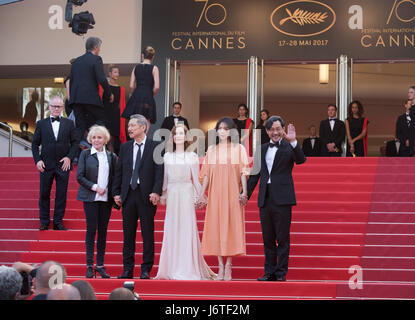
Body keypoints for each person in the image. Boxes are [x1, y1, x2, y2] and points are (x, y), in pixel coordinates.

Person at [247, 116, 306, 282]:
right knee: (267, 238)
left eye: (278, 129)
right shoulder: (261, 148)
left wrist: (294, 142)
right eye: (272, 129)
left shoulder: (289, 147)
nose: (275, 132)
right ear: (267, 131)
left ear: (283, 130)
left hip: (283, 199)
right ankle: (269, 272)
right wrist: (244, 194)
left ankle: (281, 273)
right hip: (265, 198)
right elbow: (255, 175)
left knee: (282, 238)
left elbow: (301, 160)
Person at [155, 124, 216, 280]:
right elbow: (165, 179)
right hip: (173, 193)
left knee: (187, 228)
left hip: (187, 193)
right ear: (173, 137)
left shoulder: (192, 157)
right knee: (172, 228)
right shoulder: (167, 156)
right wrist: (162, 193)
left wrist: (202, 195)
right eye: (176, 133)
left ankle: (188, 268)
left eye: (182, 133)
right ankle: (171, 268)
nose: (179, 136)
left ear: (186, 136)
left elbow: (196, 179)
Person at [198, 117, 250, 281]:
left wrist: (244, 192)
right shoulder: (212, 150)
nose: (222, 131)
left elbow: (243, 171)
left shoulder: (239, 148)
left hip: (232, 192)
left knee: (231, 226)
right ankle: (220, 265)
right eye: (220, 128)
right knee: (217, 227)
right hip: (215, 194)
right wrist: (202, 193)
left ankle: (229, 265)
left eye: (226, 129)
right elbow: (206, 173)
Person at [112, 114, 163, 279]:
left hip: (147, 195)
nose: (129, 129)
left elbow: (159, 172)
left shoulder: (156, 146)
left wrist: (156, 191)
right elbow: (119, 171)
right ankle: (127, 269)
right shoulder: (125, 147)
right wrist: (116, 192)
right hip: (128, 195)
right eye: (129, 126)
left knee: (148, 234)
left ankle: (146, 269)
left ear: (143, 127)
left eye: (133, 126)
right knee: (128, 235)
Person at [77, 125, 117, 279]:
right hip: (90, 198)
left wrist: (115, 195)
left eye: (99, 137)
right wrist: (95, 187)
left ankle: (99, 265)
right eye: (94, 137)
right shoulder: (85, 155)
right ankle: (89, 265)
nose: (96, 140)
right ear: (90, 139)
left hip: (106, 200)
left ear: (105, 139)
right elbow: (79, 176)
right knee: (91, 230)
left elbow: (114, 178)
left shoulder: (111, 156)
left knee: (103, 232)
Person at [32, 96, 78, 231]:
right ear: (49, 107)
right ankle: (44, 222)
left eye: (59, 106)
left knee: (61, 194)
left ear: (62, 107)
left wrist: (69, 157)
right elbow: (35, 144)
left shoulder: (69, 123)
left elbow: (75, 142)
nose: (56, 109)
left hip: (63, 164)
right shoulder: (41, 123)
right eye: (54, 106)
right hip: (46, 164)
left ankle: (58, 222)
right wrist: (38, 160)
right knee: (44, 193)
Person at [69, 37, 113, 148]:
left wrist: (73, 99)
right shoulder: (96, 59)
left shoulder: (76, 62)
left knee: (80, 127)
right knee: (102, 120)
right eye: (100, 47)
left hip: (76, 100)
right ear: (96, 47)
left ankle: (72, 156)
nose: (100, 50)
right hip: (90, 98)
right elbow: (102, 79)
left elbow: (72, 81)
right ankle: (99, 149)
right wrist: (109, 93)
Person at [122, 46, 160, 131]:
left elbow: (131, 85)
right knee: (146, 118)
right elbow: (157, 87)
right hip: (148, 95)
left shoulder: (136, 67)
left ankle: (136, 139)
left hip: (137, 94)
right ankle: (143, 139)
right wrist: (151, 94)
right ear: (153, 57)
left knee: (135, 118)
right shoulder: (154, 68)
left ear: (142, 55)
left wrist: (133, 94)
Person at [101, 65, 127, 155]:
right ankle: (110, 163)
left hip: (116, 118)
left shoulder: (121, 89)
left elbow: (122, 106)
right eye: (115, 72)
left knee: (115, 142)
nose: (117, 74)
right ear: (110, 73)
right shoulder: (104, 87)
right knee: (108, 141)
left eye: (118, 72)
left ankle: (112, 162)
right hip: (106, 116)